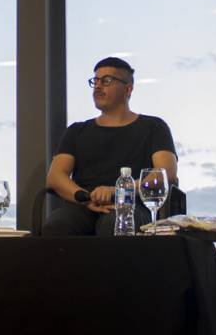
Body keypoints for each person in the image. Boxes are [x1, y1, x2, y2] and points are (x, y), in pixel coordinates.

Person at [44, 56, 178, 236]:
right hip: (84, 205)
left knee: (114, 224)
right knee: (57, 225)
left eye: (106, 81)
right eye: (95, 81)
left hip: (132, 205)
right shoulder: (77, 130)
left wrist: (119, 191)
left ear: (127, 89)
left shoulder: (153, 127)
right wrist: (84, 197)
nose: (98, 86)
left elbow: (166, 173)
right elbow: (55, 176)